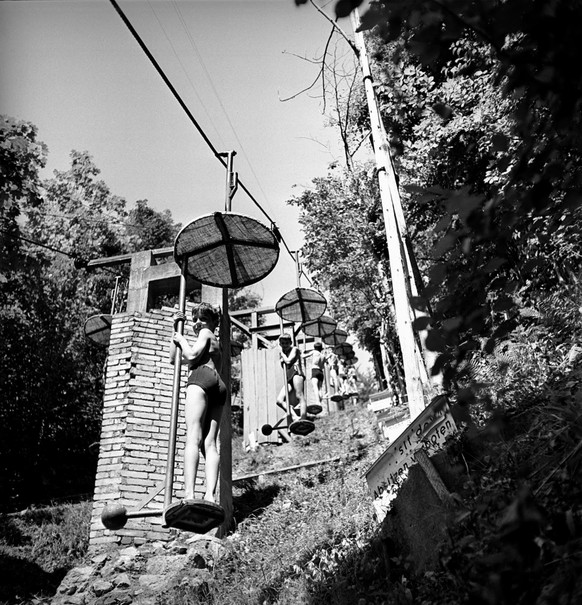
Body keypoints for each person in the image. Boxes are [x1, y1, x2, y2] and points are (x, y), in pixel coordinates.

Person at [169, 303, 226, 503]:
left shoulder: (206, 334)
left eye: (203, 319)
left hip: (201, 378)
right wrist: (176, 330)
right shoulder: (213, 341)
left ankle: (190, 495)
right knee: (209, 444)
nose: (198, 323)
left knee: (193, 438)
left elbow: (191, 355)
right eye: (195, 320)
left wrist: (182, 338)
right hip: (219, 386)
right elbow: (174, 358)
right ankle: (210, 496)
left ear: (213, 322)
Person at [276, 332, 307, 421]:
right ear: (280, 344)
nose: (285, 345)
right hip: (289, 377)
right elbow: (284, 367)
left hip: (296, 373)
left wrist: (283, 356)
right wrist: (282, 360)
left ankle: (303, 417)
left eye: (287, 343)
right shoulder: (282, 353)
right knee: (279, 400)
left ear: (290, 343)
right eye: (283, 343)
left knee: (299, 395)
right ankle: (294, 416)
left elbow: (289, 361)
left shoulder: (294, 349)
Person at [306, 342, 326, 408]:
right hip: (321, 371)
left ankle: (317, 402)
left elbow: (304, 356)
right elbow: (323, 366)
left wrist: (302, 352)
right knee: (320, 388)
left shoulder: (314, 352)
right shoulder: (323, 356)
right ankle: (320, 402)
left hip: (315, 370)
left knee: (315, 387)